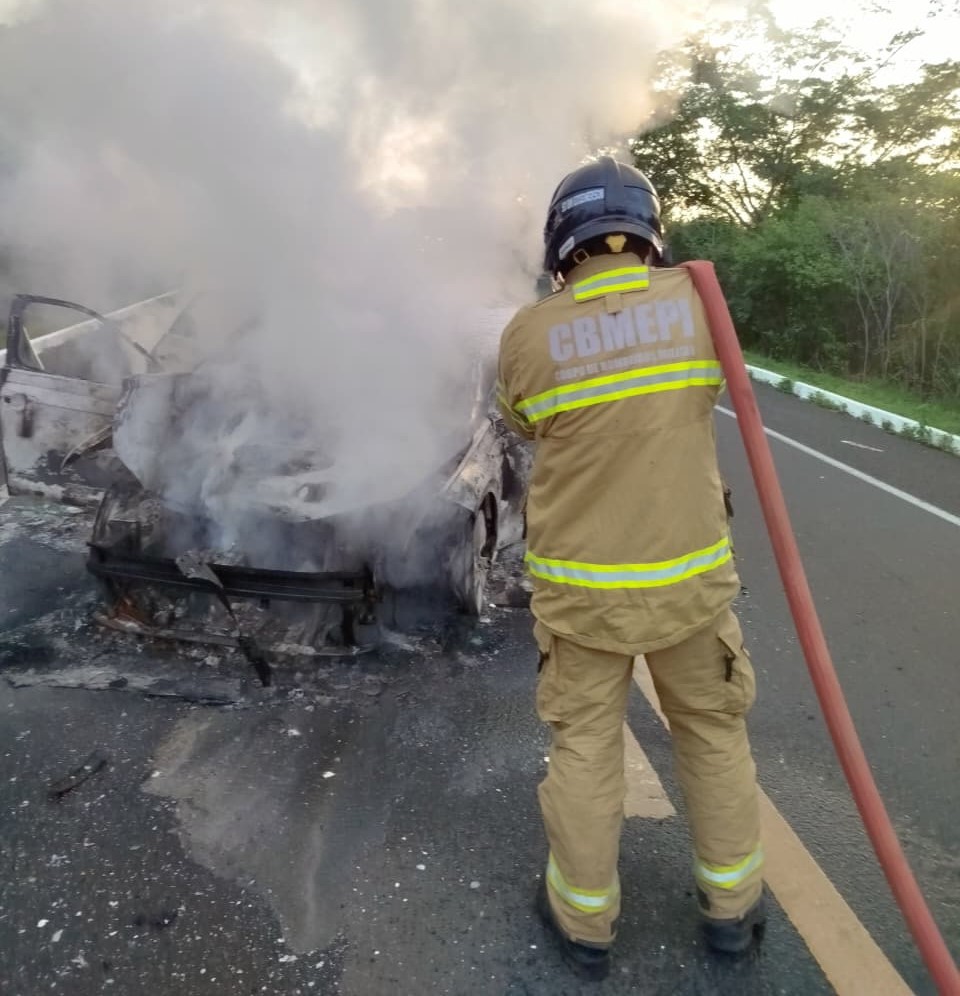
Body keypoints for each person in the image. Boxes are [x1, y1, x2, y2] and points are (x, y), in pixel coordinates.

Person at [496, 156, 765, 982]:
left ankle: (584, 922)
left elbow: (523, 423)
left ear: (561, 241)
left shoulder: (528, 334)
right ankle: (732, 909)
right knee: (712, 733)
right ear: (649, 231)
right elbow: (712, 390)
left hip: (583, 597)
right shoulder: (701, 304)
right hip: (692, 588)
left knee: (584, 745)